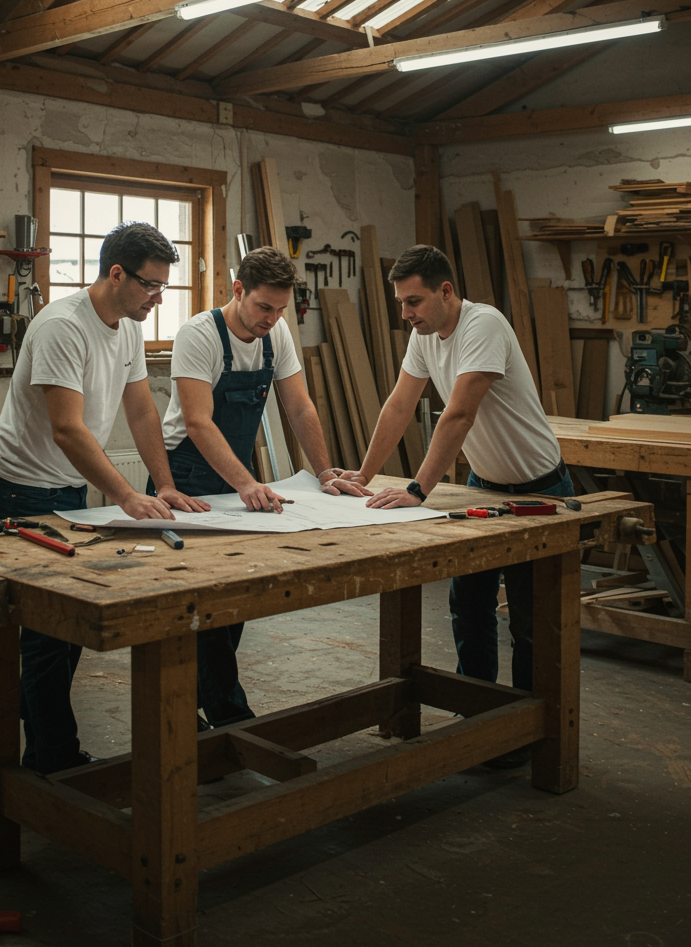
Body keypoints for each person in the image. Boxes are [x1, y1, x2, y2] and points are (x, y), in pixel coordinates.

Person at [0, 221, 208, 775]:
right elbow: (68, 430)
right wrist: (126, 494)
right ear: (115, 273)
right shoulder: (62, 326)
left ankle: (39, 745)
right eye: (151, 287)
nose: (158, 299)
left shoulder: (127, 326)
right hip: (19, 488)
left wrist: (165, 483)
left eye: (163, 288)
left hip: (68, 489)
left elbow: (141, 410)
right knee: (45, 636)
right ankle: (52, 762)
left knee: (64, 630)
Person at [341, 244, 574, 764]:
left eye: (415, 301)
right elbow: (400, 403)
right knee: (469, 609)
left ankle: (525, 733)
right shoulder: (425, 336)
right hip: (485, 490)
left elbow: (459, 414)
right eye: (401, 303)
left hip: (541, 491)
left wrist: (417, 490)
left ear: (447, 291)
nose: (406, 314)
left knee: (531, 624)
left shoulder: (482, 325)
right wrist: (364, 474)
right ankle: (481, 722)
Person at [154, 245, 368, 727]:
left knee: (232, 598)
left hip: (233, 475)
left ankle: (193, 709)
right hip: (185, 475)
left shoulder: (277, 333)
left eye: (280, 310)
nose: (271, 319)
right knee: (197, 600)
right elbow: (197, 422)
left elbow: (299, 407)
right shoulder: (199, 334)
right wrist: (249, 482)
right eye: (263, 307)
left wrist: (325, 472)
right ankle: (228, 719)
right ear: (238, 291)